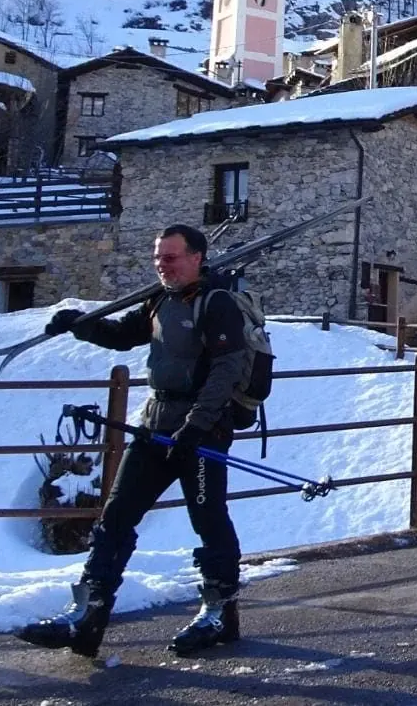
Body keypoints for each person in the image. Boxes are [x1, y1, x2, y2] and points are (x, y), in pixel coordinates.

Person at [16, 223, 254, 658]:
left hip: (203, 431)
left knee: (209, 520)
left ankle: (219, 613)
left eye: (171, 258)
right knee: (116, 517)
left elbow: (227, 369)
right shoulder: (159, 299)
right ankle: (87, 615)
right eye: (158, 258)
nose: (162, 266)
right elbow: (124, 336)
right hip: (154, 426)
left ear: (197, 257)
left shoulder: (217, 303)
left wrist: (196, 426)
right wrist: (80, 324)